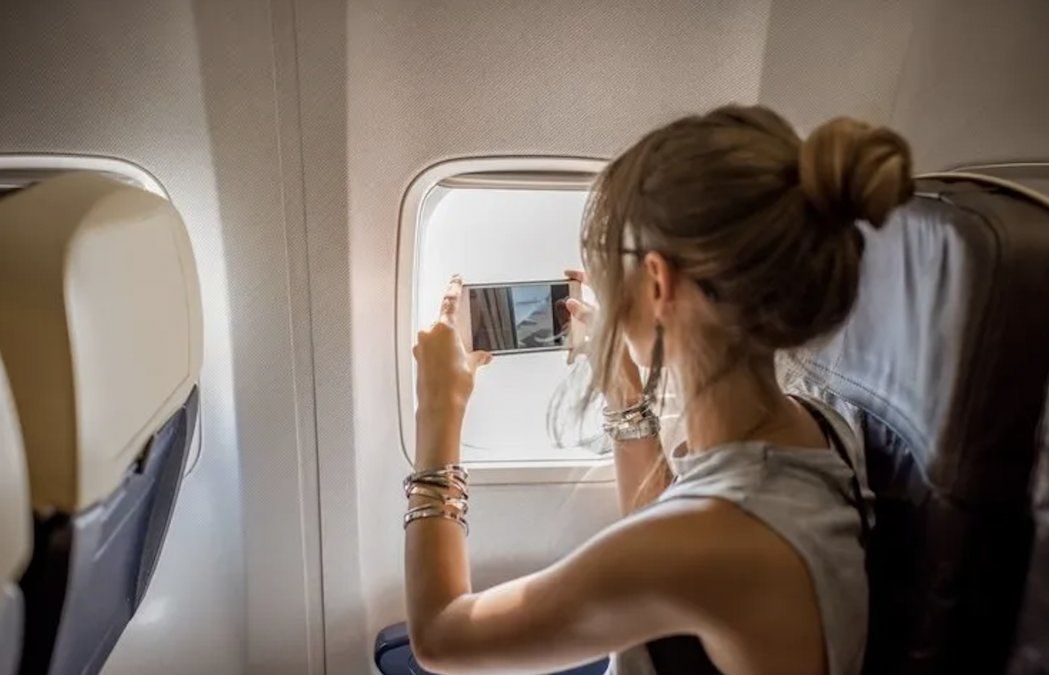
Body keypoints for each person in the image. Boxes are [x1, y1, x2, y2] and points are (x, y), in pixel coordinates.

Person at [404, 104, 912, 675]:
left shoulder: (717, 544)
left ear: (658, 280)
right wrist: (623, 389)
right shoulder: (816, 425)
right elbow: (670, 532)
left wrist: (438, 414)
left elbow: (442, 637)